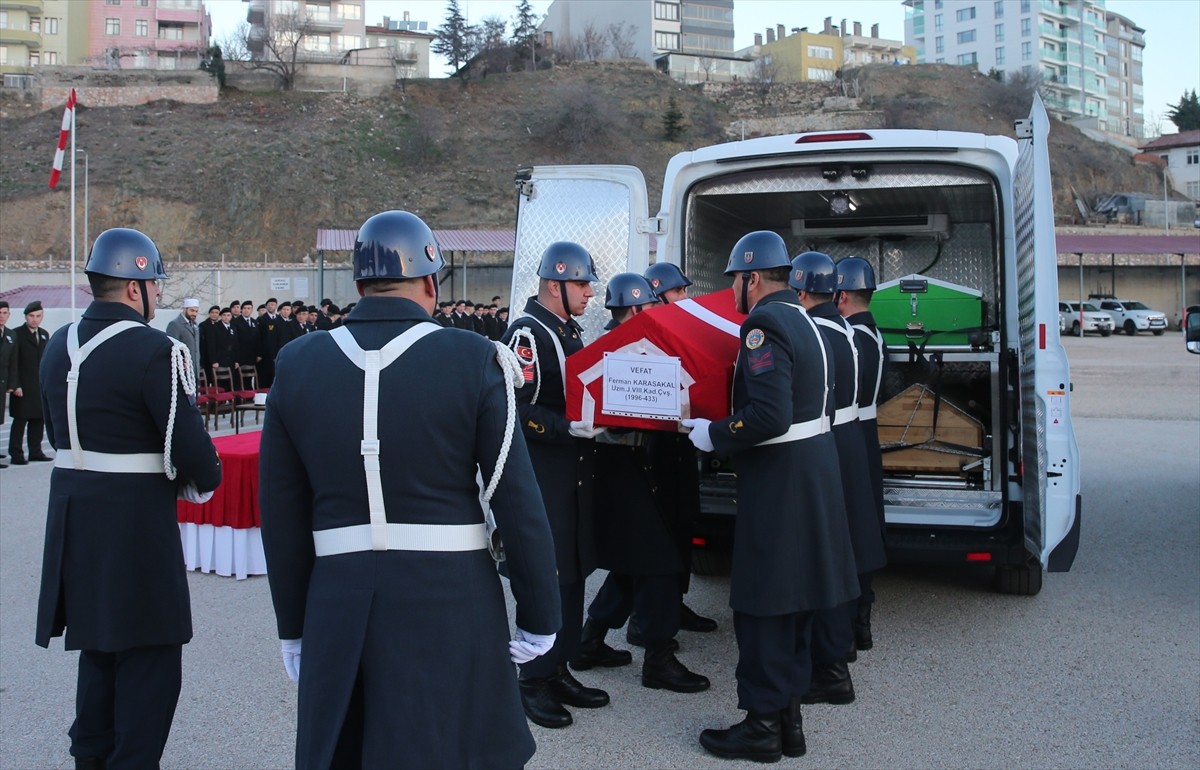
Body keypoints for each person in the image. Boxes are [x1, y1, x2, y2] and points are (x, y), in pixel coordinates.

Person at [259, 210, 561, 769]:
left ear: (358, 285)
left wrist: (293, 627)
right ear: (430, 281)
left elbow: (281, 513)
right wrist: (539, 614)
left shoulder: (297, 364)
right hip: (453, 603)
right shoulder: (474, 358)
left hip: (339, 603)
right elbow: (515, 500)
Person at [35, 227, 222, 770]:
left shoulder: (58, 344)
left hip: (74, 519)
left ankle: (90, 759)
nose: (158, 294)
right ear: (135, 286)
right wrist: (200, 480)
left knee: (98, 653)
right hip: (135, 525)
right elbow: (194, 454)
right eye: (155, 284)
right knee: (151, 663)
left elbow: (56, 432)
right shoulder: (155, 349)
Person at [682, 231, 858, 762]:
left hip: (782, 487)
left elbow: (769, 415)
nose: (733, 290)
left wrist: (714, 434)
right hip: (812, 480)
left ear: (752, 278)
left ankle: (762, 726)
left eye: (735, 279)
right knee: (794, 607)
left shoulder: (764, 325)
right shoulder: (808, 320)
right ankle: (788, 722)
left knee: (762, 609)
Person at [575, 272, 711, 695]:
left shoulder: (628, 346)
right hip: (625, 468)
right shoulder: (621, 350)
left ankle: (589, 641)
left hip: (639, 467)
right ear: (636, 308)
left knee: (636, 560)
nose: (659, 310)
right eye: (653, 304)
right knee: (658, 562)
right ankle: (658, 659)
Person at [502, 241, 609, 730]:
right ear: (553, 284)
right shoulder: (528, 333)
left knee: (571, 572)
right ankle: (532, 679)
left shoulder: (567, 329)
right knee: (545, 576)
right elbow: (516, 408)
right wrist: (567, 428)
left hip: (573, 471)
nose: (589, 293)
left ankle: (558, 666)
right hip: (544, 474)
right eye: (582, 284)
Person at [790, 251, 887, 707]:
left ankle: (836, 647)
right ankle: (854, 630)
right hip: (859, 434)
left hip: (838, 434)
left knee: (837, 546)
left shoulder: (829, 333)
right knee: (857, 538)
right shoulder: (860, 333)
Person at [835, 256, 888, 658]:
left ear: (842, 295)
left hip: (849, 431)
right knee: (865, 527)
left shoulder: (851, 337)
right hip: (867, 434)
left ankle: (851, 626)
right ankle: (861, 624)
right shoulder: (873, 333)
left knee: (849, 532)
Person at [8, 300, 52, 464]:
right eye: (31, 316)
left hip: (38, 385)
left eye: (38, 316)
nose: (35, 319)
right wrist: (15, 384)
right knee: (20, 420)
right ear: (26, 316)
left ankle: (35, 451)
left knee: (38, 419)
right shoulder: (16, 334)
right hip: (23, 385)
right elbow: (13, 362)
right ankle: (16, 454)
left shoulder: (44, 334)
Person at [165, 298, 202, 381]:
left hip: (194, 369)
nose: (194, 313)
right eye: (192, 310)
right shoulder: (175, 324)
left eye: (196, 311)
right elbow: (172, 348)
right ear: (185, 309)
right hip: (182, 371)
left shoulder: (194, 325)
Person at [0, 300, 17, 469]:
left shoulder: (10, 334)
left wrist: (12, 383)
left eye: (5, 313)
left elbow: (13, 361)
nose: (2, 316)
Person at [257, 298, 284, 387]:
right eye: (269, 305)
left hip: (277, 351)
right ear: (266, 306)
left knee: (274, 376)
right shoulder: (261, 319)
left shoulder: (279, 318)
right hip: (265, 352)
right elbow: (260, 337)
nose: (271, 306)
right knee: (264, 376)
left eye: (273, 305)